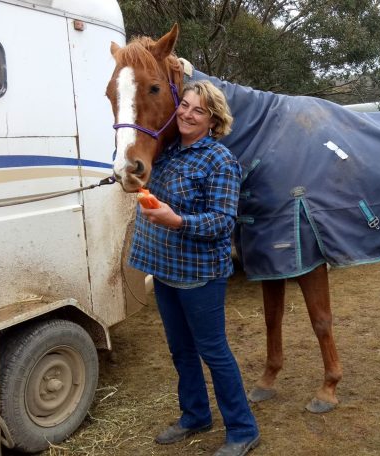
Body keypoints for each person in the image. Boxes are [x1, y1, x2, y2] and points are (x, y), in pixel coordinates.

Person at [128, 80, 260, 456]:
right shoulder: (168, 151)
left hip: (200, 273)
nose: (187, 113)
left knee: (213, 351)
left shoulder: (219, 161)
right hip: (164, 268)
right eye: (184, 105)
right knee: (180, 350)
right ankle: (195, 415)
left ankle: (242, 428)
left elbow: (222, 222)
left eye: (198, 110)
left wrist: (178, 221)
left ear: (213, 120)